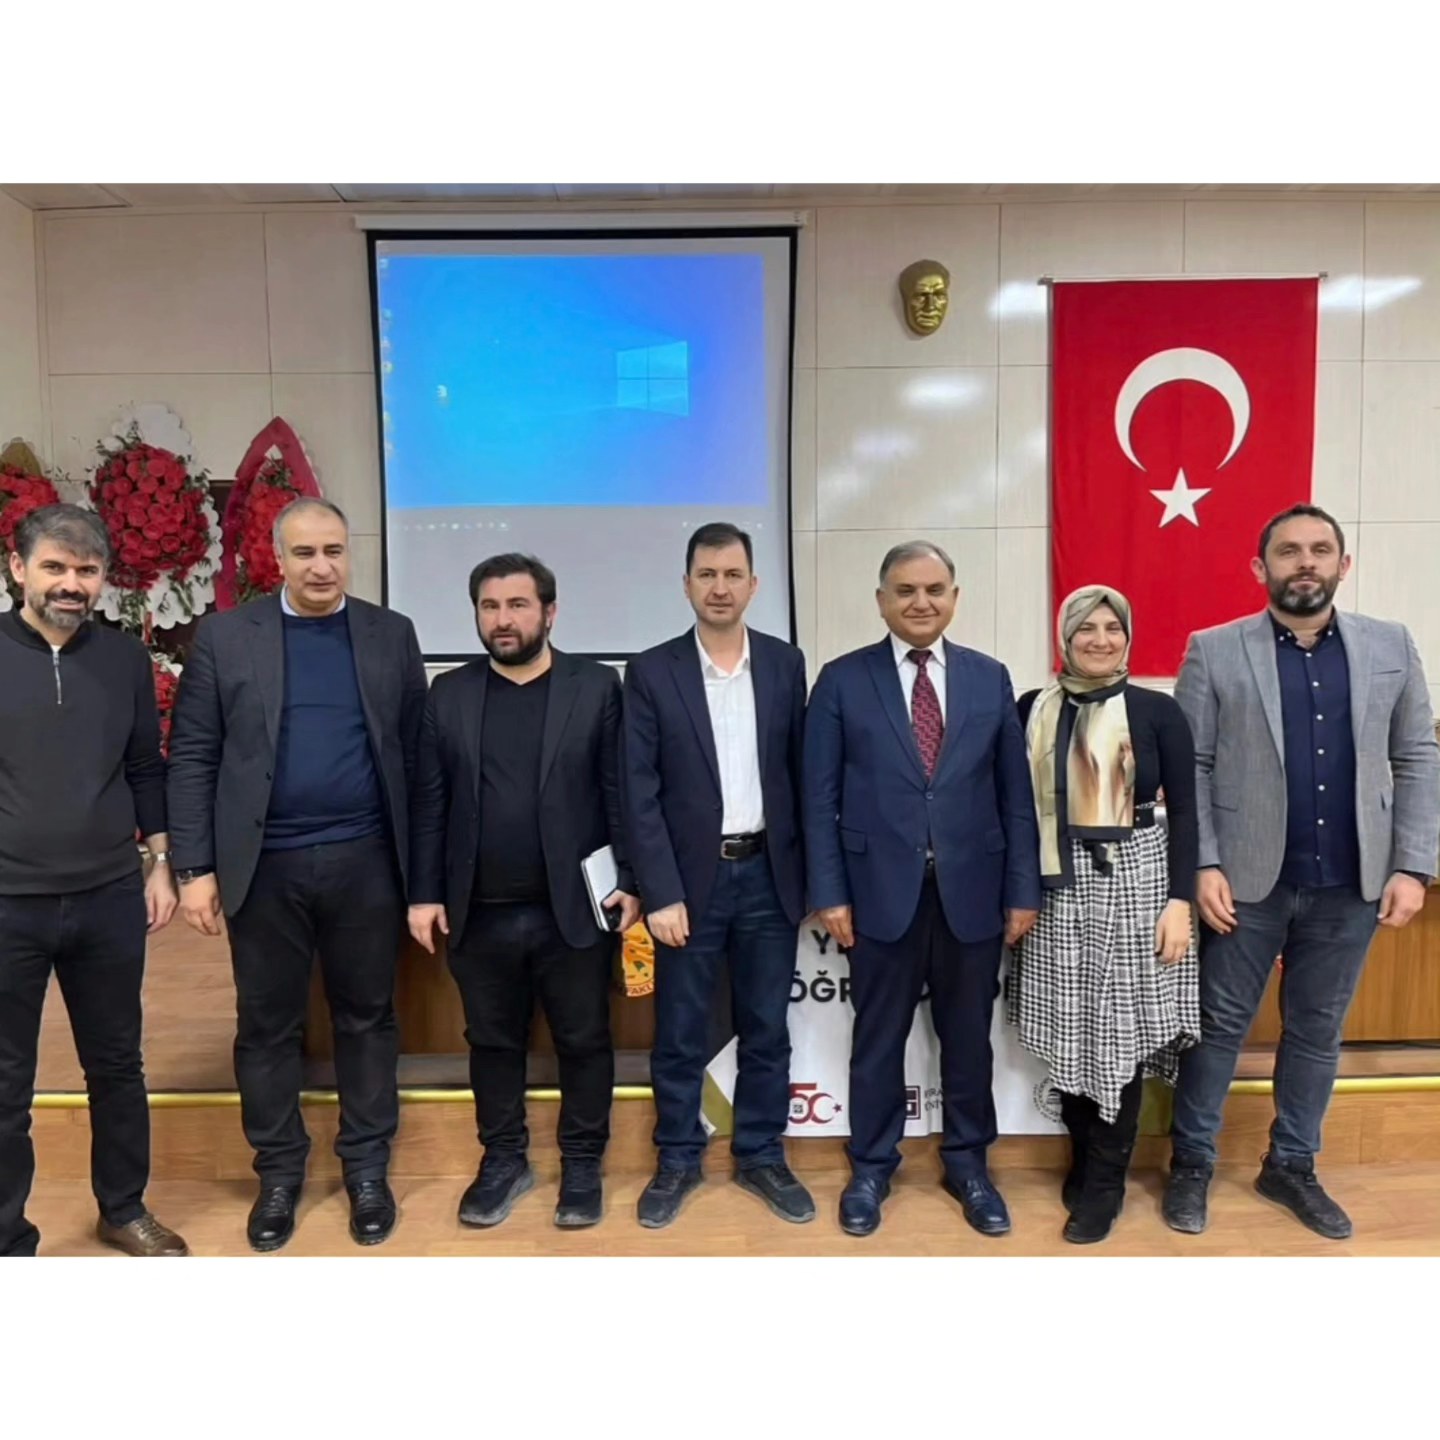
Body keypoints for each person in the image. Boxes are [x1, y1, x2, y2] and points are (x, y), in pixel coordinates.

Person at [1165, 504, 1440, 1240]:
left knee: (1318, 1029)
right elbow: (1190, 765)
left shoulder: (1390, 644)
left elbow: (1417, 755)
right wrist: (1203, 862)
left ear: (1343, 565)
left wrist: (1413, 864)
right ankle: (1191, 1164)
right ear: (1262, 568)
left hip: (1352, 882)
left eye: (1320, 549)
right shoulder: (1214, 649)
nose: (1305, 562)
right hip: (1243, 883)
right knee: (1217, 1027)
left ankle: (1291, 1164)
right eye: (1289, 551)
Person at [167, 498, 427, 1252]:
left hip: (367, 862)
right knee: (266, 1025)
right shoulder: (227, 637)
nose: (321, 567)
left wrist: (424, 873)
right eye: (305, 552)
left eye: (334, 551)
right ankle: (279, 1173)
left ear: (350, 555)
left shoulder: (390, 633)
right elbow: (194, 754)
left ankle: (367, 1169)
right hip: (263, 868)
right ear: (277, 558)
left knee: (367, 1018)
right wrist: (193, 867)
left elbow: (417, 754)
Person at [804, 540, 1041, 1238]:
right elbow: (818, 798)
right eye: (905, 590)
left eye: (934, 589)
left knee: (969, 1041)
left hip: (973, 893)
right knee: (878, 1040)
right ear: (881, 600)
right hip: (877, 895)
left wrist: (1022, 890)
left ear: (954, 598)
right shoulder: (841, 680)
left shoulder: (990, 678)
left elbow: (1015, 797)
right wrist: (830, 891)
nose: (920, 602)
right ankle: (871, 1167)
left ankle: (969, 1165)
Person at [408, 553, 638, 1229]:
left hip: (574, 911)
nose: (502, 619)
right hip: (478, 913)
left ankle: (583, 1165)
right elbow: (430, 802)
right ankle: (503, 1159)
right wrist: (424, 893)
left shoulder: (596, 687)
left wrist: (631, 880)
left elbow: (619, 792)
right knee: (492, 1042)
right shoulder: (448, 694)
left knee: (584, 1040)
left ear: (549, 612)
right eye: (490, 607)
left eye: (517, 605)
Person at [0, 504, 187, 1257]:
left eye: (87, 570)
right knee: (5, 1079)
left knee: (116, 1065)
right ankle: (8, 1238)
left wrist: (163, 864)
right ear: (18, 567)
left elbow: (145, 766)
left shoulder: (123, 660)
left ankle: (123, 1207)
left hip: (108, 895)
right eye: (55, 567)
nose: (71, 584)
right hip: (8, 902)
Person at [623, 521, 811, 1229]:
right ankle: (677, 1158)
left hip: (768, 877)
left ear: (754, 585)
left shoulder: (786, 665)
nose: (720, 587)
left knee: (767, 1026)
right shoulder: (652, 671)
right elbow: (638, 791)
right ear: (686, 585)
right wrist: (660, 891)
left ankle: (761, 1154)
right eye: (707, 574)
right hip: (689, 887)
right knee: (680, 1031)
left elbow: (802, 776)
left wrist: (812, 881)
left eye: (733, 575)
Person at [1007, 585, 1200, 1244]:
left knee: (1118, 1036)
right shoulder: (1033, 708)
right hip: (1055, 887)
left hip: (1136, 885)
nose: (1099, 640)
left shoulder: (1157, 710)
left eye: (1112, 628)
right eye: (1085, 628)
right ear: (1064, 637)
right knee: (1071, 1029)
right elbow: (1012, 805)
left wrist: (1180, 902)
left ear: (1128, 637)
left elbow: (1187, 813)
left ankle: (1105, 1184)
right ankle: (1085, 1157)